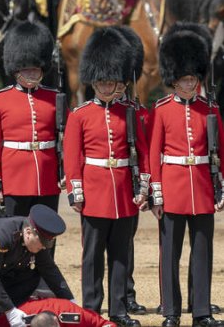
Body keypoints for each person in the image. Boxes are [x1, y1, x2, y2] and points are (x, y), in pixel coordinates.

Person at [64, 27, 150, 327]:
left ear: (119, 81)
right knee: (92, 258)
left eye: (111, 81)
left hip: (124, 191)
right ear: (93, 81)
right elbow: (72, 157)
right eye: (101, 81)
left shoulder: (129, 112)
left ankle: (118, 310)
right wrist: (76, 192)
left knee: (120, 255)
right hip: (95, 192)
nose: (105, 86)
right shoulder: (80, 115)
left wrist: (143, 187)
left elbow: (144, 151)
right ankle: (91, 309)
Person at [150, 22, 224, 327]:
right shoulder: (162, 109)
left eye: (193, 79)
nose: (189, 84)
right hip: (173, 187)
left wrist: (221, 187)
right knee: (170, 255)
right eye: (183, 80)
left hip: (203, 188)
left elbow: (221, 150)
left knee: (202, 253)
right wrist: (156, 191)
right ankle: (170, 312)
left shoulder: (211, 109)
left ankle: (202, 311)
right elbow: (154, 153)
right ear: (173, 79)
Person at [0, 20, 60, 217]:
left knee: (46, 235)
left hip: (47, 176)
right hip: (14, 177)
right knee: (14, 235)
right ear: (16, 69)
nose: (31, 73)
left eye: (35, 69)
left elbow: (66, 137)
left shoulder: (55, 98)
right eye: (26, 70)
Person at [108, 25, 149, 316]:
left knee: (126, 241)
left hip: (128, 184)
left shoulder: (138, 111)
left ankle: (126, 293)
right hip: (101, 184)